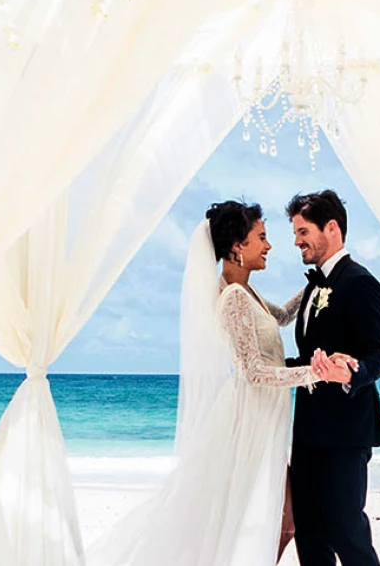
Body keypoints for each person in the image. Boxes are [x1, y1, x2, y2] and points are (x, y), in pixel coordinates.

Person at [89, 200, 338, 566]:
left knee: (284, 520)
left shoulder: (245, 291)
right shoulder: (233, 298)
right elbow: (252, 371)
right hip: (251, 419)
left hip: (266, 416)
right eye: (262, 238)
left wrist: (320, 280)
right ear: (238, 246)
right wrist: (313, 373)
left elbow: (283, 316)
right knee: (267, 519)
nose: (269, 246)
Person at [285, 189, 380, 566]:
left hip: (346, 432)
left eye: (302, 231)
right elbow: (307, 356)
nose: (296, 240)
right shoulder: (313, 286)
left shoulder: (361, 283)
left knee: (347, 532)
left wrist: (352, 370)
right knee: (310, 536)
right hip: (308, 431)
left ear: (331, 228)